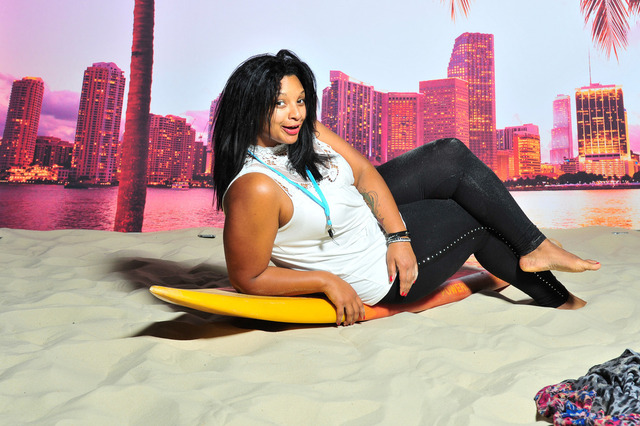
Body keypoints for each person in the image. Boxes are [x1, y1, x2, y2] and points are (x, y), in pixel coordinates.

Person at [212, 49, 600, 326]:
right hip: (371, 270)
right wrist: (327, 281)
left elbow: (363, 172)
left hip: (368, 222)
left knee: (449, 154)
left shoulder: (305, 131)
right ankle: (559, 298)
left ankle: (534, 245)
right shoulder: (256, 188)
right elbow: (248, 277)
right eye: (280, 103)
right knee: (476, 217)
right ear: (251, 107)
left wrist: (398, 235)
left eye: (300, 100)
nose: (296, 113)